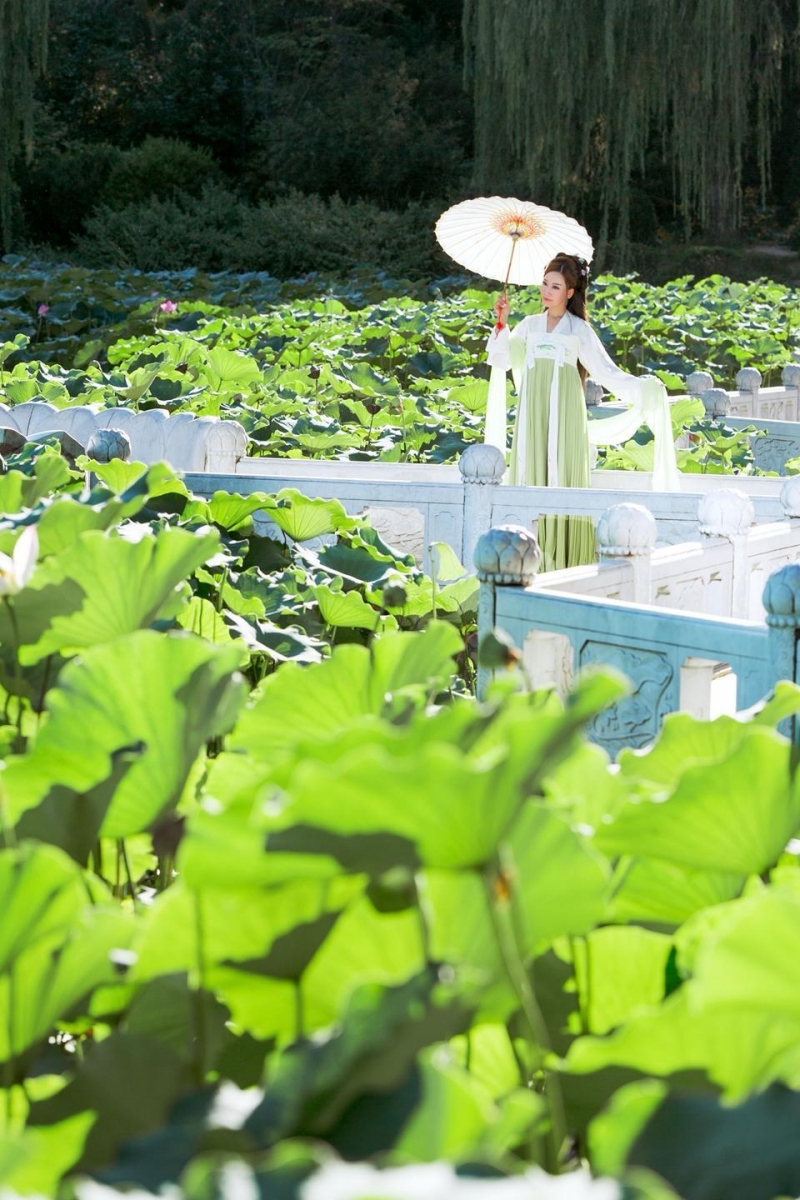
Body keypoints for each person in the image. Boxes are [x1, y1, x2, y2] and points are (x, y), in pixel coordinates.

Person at [485, 251, 679, 570]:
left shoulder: (578, 330)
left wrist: (644, 387)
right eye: (545, 283)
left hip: (566, 418)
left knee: (560, 475)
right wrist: (502, 322)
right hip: (532, 417)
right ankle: (526, 553)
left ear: (571, 292)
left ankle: (562, 560)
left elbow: (605, 371)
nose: (547, 291)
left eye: (556, 286)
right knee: (530, 471)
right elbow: (504, 358)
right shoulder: (529, 325)